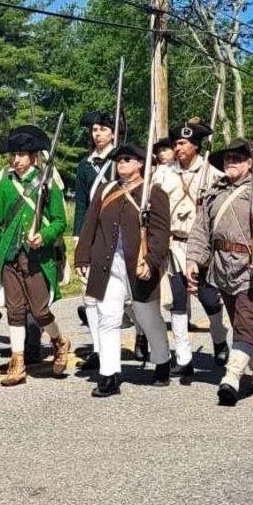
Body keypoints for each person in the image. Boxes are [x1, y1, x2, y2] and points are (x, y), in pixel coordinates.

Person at [186, 138, 253, 405]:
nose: (232, 162)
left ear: (249, 163)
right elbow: (200, 231)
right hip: (222, 267)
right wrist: (193, 260)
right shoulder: (214, 193)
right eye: (228, 158)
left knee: (245, 324)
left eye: (238, 158)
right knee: (243, 325)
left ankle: (231, 378)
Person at [74, 141, 171, 397]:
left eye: (128, 159)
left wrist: (151, 262)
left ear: (140, 163)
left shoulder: (153, 192)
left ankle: (162, 359)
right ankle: (109, 374)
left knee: (147, 317)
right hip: (107, 264)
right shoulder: (106, 190)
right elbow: (89, 225)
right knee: (108, 318)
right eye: (119, 160)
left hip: (138, 264)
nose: (122, 164)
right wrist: (82, 257)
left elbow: (160, 235)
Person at [0, 124, 71, 386]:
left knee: (40, 310)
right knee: (15, 311)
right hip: (10, 255)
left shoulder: (47, 182)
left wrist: (44, 235)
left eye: (21, 154)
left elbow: (58, 221)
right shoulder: (6, 185)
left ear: (33, 156)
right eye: (13, 155)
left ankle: (58, 341)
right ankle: (17, 361)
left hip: (37, 256)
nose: (15, 160)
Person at [154, 119, 230, 381]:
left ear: (195, 146)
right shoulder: (163, 173)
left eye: (183, 143)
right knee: (177, 301)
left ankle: (220, 340)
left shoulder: (212, 174)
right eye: (175, 143)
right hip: (174, 243)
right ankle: (183, 357)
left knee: (209, 298)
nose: (178, 148)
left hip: (201, 244)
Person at [73, 110, 118, 372]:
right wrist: (79, 238)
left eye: (102, 129)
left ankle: (141, 337)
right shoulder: (84, 166)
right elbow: (81, 205)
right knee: (90, 294)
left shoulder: (120, 161)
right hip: (92, 233)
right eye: (94, 130)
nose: (97, 134)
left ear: (113, 132)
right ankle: (99, 348)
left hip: (116, 230)